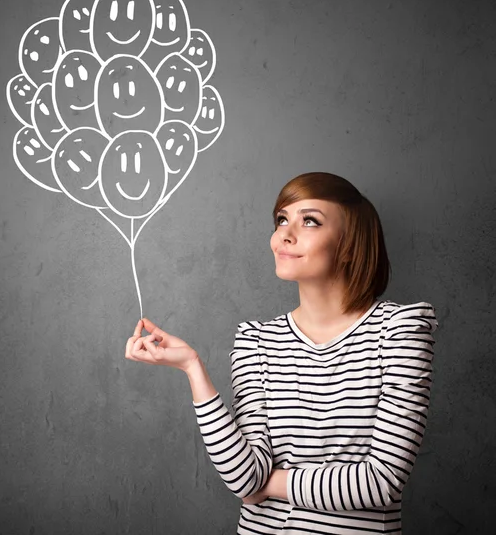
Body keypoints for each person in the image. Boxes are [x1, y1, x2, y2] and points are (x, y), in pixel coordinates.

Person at [125, 171, 439, 534]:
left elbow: (380, 482)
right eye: (281, 220)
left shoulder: (399, 331)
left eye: (309, 221)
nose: (284, 235)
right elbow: (245, 479)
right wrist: (193, 368)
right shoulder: (256, 340)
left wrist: (272, 484)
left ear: (351, 242)